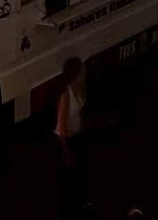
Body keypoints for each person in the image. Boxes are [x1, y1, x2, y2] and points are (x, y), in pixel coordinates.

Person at [55, 55, 89, 217]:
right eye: (81, 70)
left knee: (81, 174)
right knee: (69, 179)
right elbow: (62, 127)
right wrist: (67, 153)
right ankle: (66, 212)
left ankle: (80, 205)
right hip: (64, 141)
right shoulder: (66, 94)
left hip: (76, 137)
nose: (84, 72)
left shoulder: (80, 90)